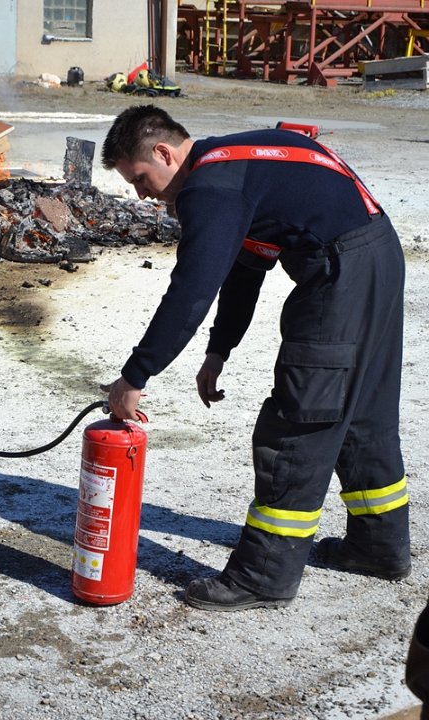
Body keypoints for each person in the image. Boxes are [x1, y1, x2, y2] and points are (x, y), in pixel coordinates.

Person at [100, 104, 410, 612]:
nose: (142, 195)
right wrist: (219, 349)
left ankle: (264, 576)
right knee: (362, 414)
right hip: (376, 255)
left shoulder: (209, 188)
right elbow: (245, 268)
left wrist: (135, 376)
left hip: (341, 273)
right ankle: (378, 547)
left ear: (163, 152)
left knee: (299, 420)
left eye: (140, 179)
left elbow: (192, 289)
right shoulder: (233, 164)